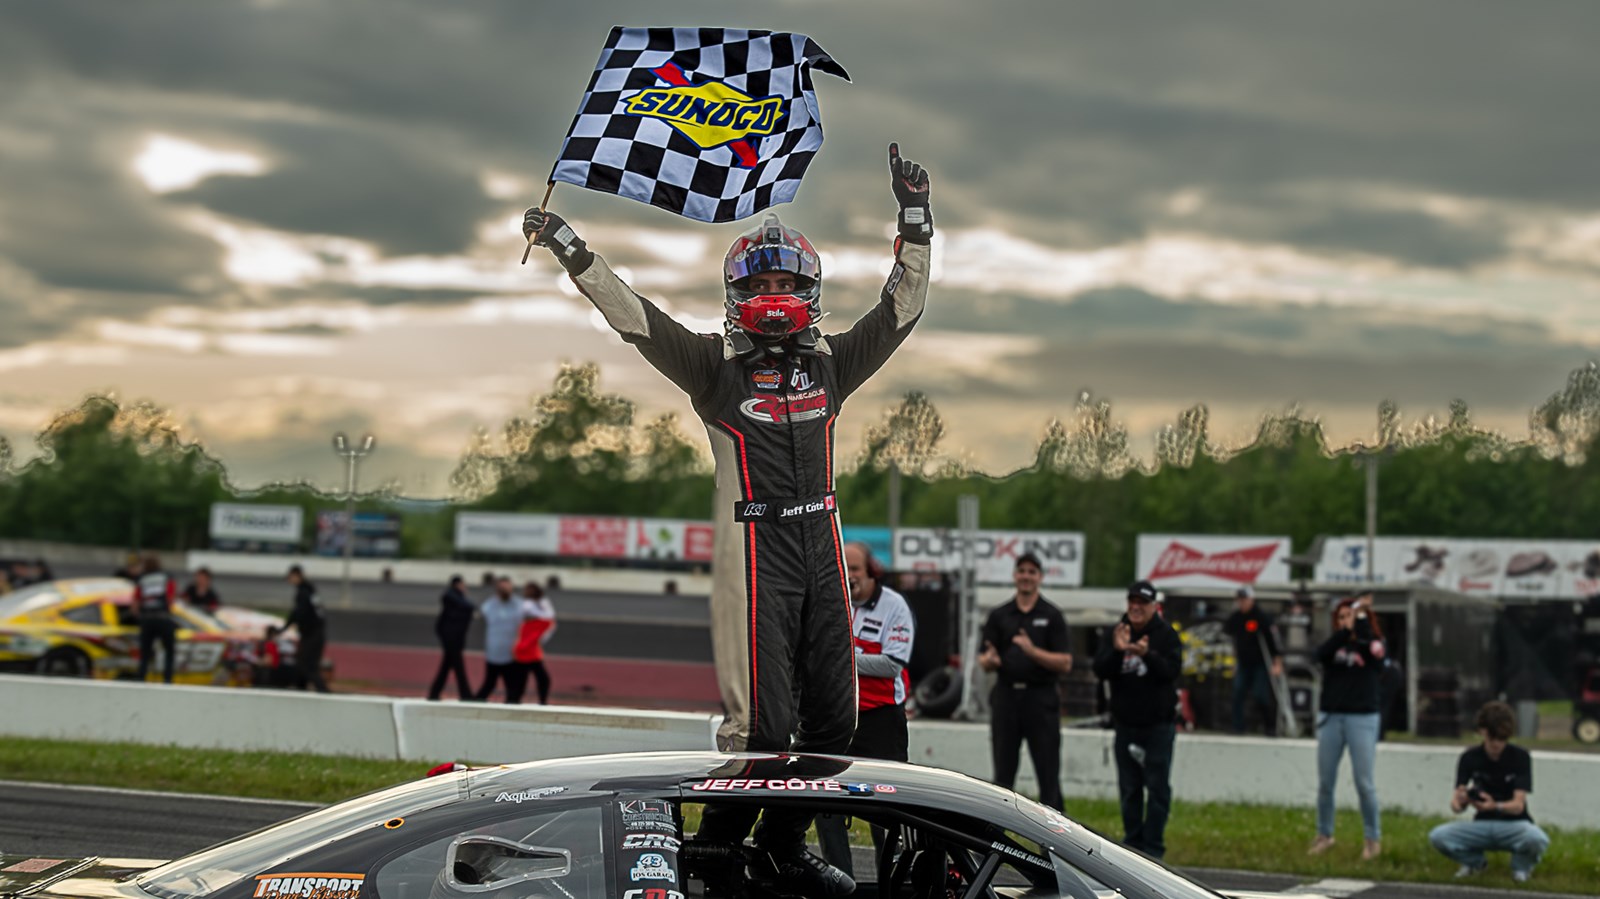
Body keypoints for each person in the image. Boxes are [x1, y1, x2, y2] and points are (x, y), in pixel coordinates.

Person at [524, 142, 933, 896]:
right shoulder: (715, 369)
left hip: (823, 540)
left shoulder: (832, 366)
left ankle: (779, 846)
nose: (774, 291)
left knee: (835, 725)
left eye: (786, 280)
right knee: (762, 732)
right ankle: (711, 854)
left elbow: (902, 308)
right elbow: (634, 317)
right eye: (762, 280)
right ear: (737, 290)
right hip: (753, 552)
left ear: (808, 290)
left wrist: (915, 218)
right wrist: (570, 246)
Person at [817, 543, 917, 877]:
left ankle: (894, 884)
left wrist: (842, 659)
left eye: (855, 569)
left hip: (881, 720)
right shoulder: (829, 601)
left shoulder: (894, 606)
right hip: (837, 717)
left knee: (886, 810)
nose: (849, 576)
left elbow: (892, 664)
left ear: (872, 571)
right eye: (843, 569)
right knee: (825, 804)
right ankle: (839, 883)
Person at [1092, 580, 1182, 859]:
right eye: (1132, 602)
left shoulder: (1166, 635)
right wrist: (1120, 651)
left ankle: (1153, 849)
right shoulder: (1117, 631)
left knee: (1157, 789)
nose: (1136, 607)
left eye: (1142, 603)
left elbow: (1172, 671)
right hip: (1126, 725)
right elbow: (1100, 670)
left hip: (1158, 726)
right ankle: (1132, 847)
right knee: (1129, 789)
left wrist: (1147, 655)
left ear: (1153, 606)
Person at [978, 553, 1073, 811]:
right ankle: (995, 840)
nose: (1026, 576)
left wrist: (1032, 652)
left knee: (1048, 773)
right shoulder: (999, 615)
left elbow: (1065, 663)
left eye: (1032, 572)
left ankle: (1055, 844)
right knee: (1002, 774)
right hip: (1007, 697)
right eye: (1022, 571)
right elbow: (984, 658)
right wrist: (990, 660)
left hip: (1040, 699)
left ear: (1040, 577)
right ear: (1014, 575)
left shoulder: (1052, 616)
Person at [1428, 701, 1551, 883]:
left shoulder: (1520, 757)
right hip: (1482, 823)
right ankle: (1475, 863)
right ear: (1482, 732)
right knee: (1439, 836)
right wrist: (1463, 800)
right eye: (1492, 738)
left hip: (1514, 824)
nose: (1496, 744)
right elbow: (1455, 806)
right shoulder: (1469, 757)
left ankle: (1521, 868)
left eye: (1502, 739)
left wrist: (1495, 805)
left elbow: (1518, 805)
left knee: (1537, 838)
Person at [1308, 594, 1386, 860]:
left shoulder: (1371, 642)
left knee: (1364, 782)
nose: (1345, 622)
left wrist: (1361, 624)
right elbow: (1319, 655)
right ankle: (1324, 834)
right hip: (1332, 716)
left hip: (1362, 718)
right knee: (1325, 781)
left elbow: (1377, 660)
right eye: (1340, 617)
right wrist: (1344, 633)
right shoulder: (1335, 644)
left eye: (1348, 616)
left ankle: (1372, 838)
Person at [1225, 586, 1283, 735]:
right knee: (1238, 693)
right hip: (1243, 663)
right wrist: (1233, 661)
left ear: (1252, 600)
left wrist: (1277, 662)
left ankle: (1269, 726)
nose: (1242, 603)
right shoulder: (1236, 617)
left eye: (1244, 600)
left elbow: (1272, 641)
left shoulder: (1261, 617)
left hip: (1260, 663)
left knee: (1260, 694)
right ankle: (1238, 727)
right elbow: (1228, 631)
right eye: (1239, 600)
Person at [477, 576, 538, 704]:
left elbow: (535, 618)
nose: (504, 591)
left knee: (513, 690)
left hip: (512, 656)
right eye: (501, 588)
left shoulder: (520, 605)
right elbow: (481, 613)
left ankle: (512, 714)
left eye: (506, 587)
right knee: (489, 685)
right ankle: (474, 707)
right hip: (493, 654)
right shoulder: (489, 605)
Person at [427, 575, 475, 701]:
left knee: (447, 667)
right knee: (458, 668)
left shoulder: (454, 597)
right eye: (463, 584)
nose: (465, 587)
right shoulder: (450, 596)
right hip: (452, 638)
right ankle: (466, 695)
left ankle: (434, 693)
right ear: (457, 584)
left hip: (453, 638)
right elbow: (469, 606)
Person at [283, 565, 330, 692]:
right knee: (302, 665)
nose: (289, 580)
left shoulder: (304, 592)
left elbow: (298, 613)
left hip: (312, 634)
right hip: (315, 633)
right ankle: (300, 691)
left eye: (290, 577)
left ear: (296, 575)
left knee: (308, 667)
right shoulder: (310, 590)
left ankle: (324, 692)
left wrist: (285, 627)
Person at [134, 554, 178, 683]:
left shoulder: (142, 579)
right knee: (169, 652)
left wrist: (140, 619)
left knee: (145, 655)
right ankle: (167, 681)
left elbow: (135, 603)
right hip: (163, 619)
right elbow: (170, 599)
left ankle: (140, 680)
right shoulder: (166, 577)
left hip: (147, 620)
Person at [514, 581, 557, 705]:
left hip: (531, 642)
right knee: (524, 679)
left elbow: (549, 616)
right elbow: (528, 613)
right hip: (526, 642)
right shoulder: (526, 604)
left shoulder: (542, 602)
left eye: (530, 589)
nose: (527, 592)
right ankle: (515, 702)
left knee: (536, 678)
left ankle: (518, 702)